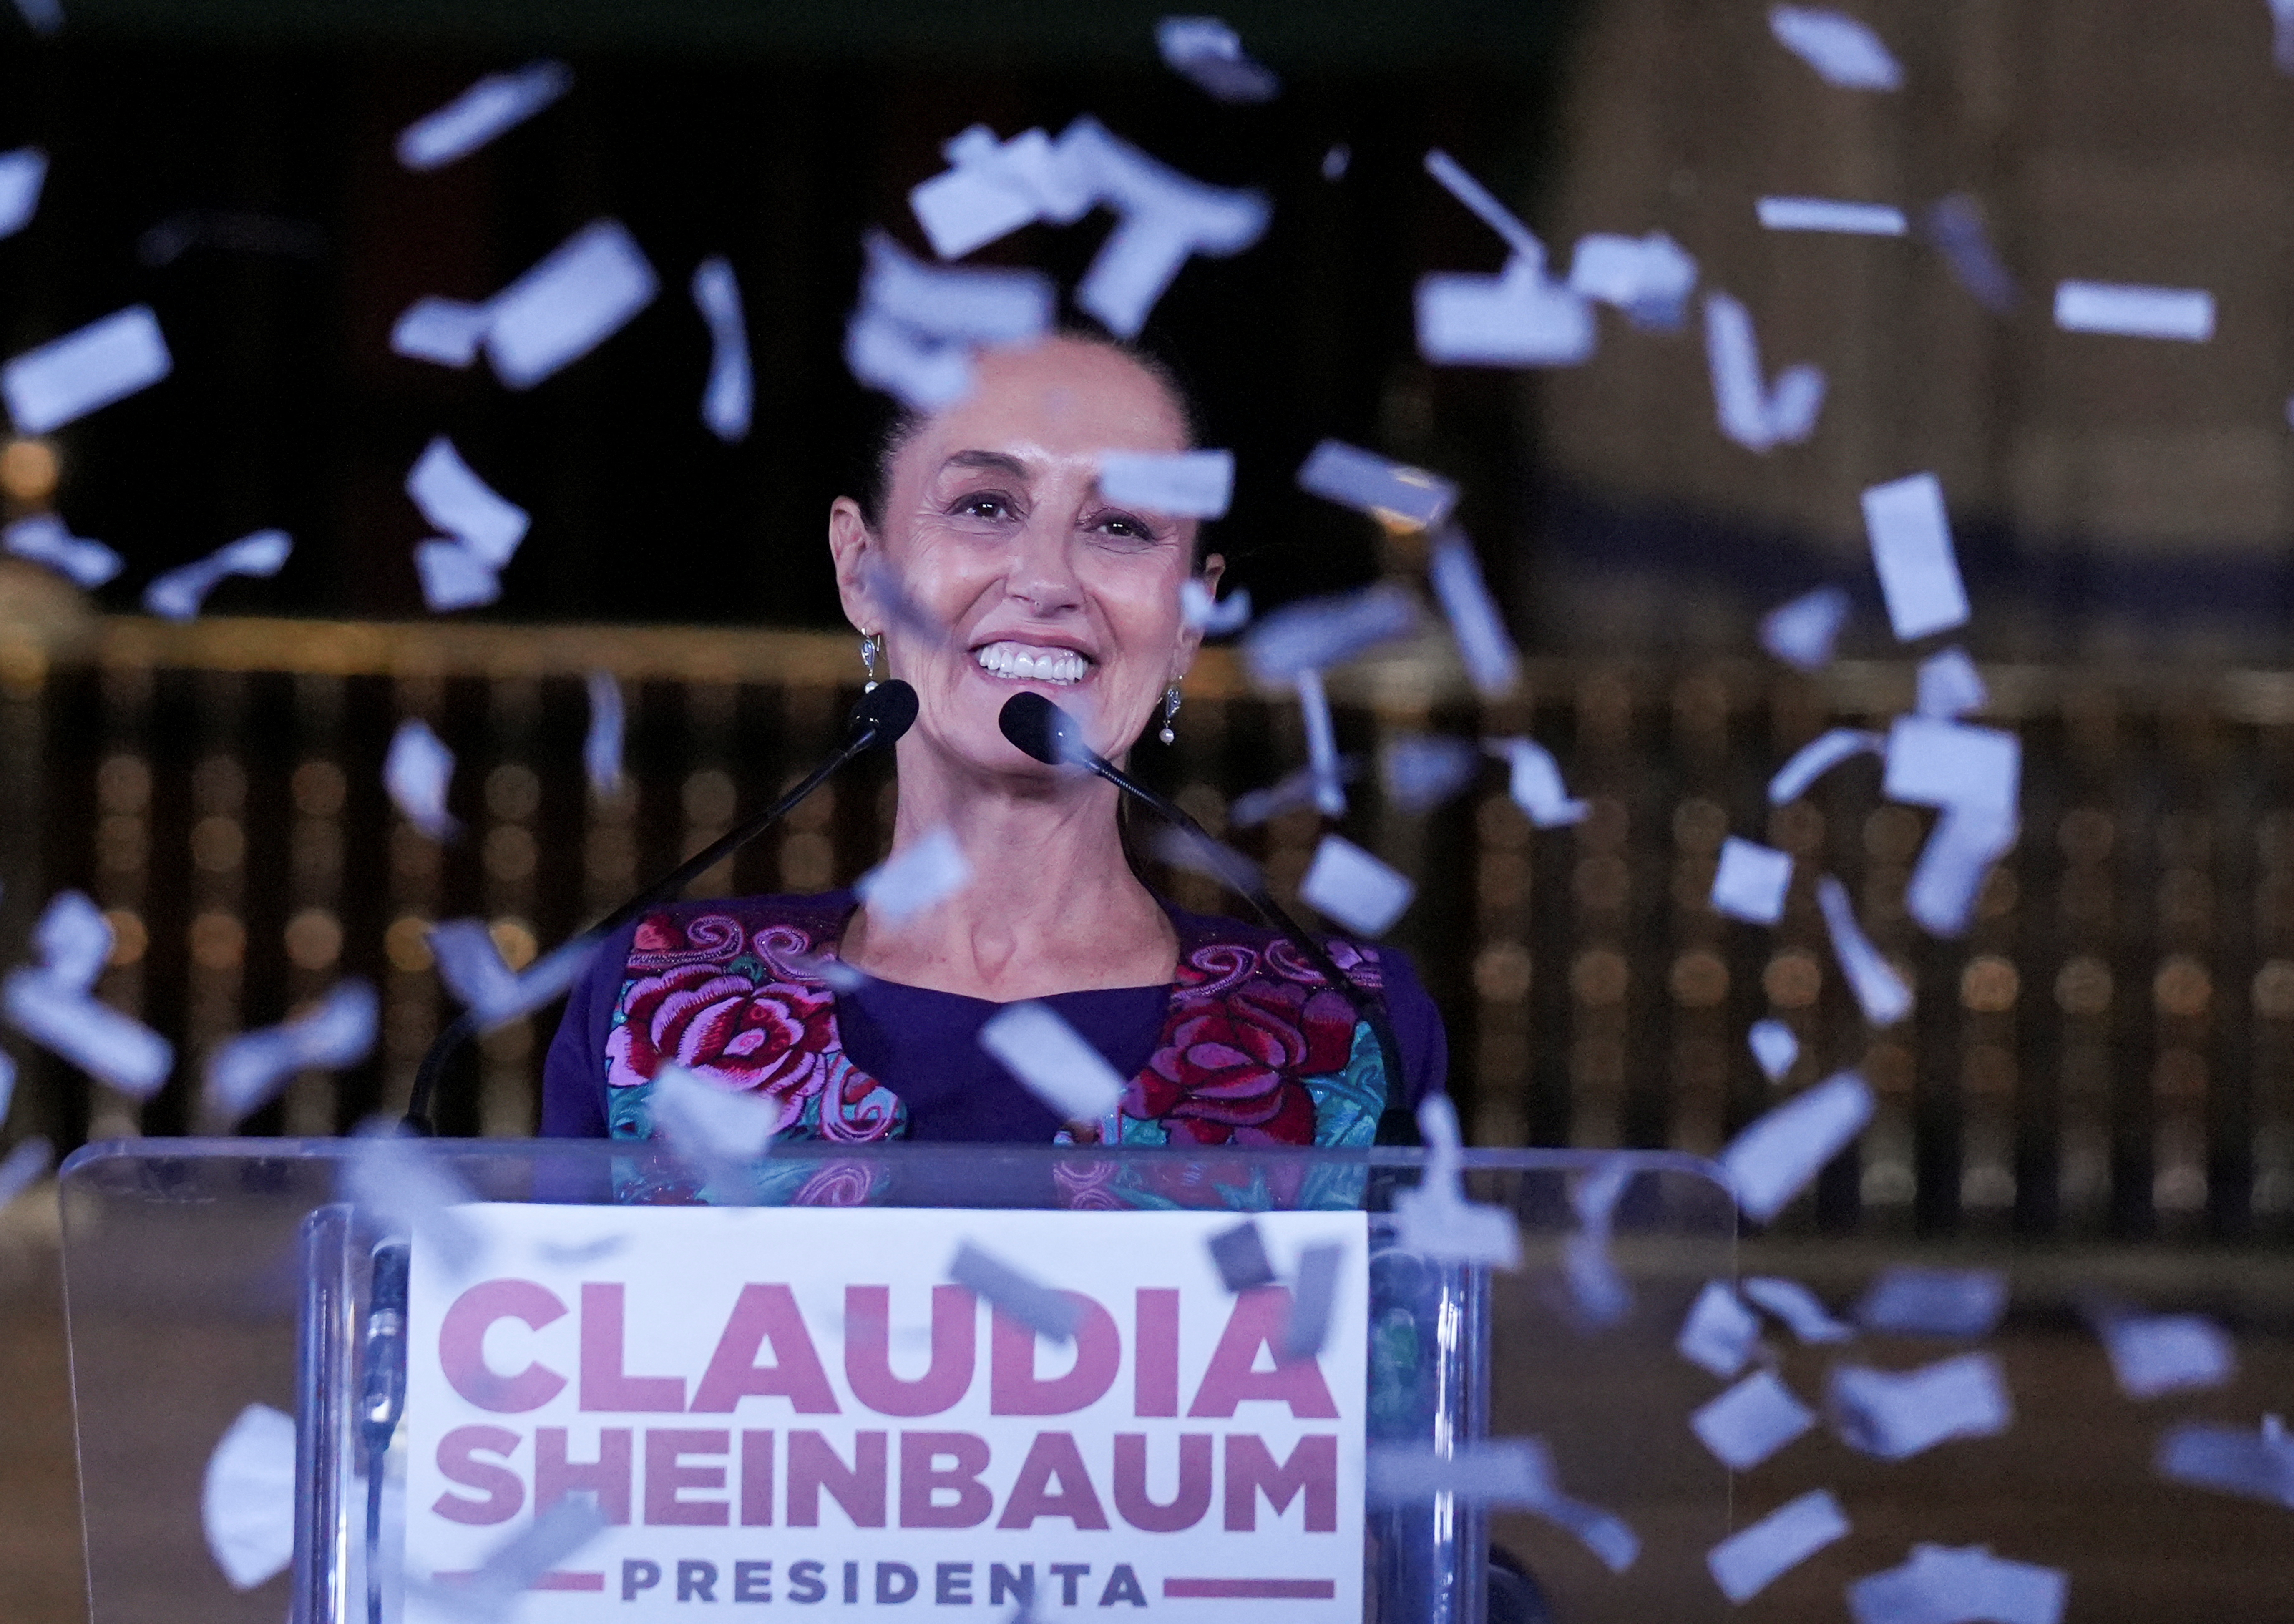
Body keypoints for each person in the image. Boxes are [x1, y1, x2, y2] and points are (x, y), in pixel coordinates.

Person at [541, 332, 1444, 1160]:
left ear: (1188, 617)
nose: (1046, 580)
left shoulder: (1352, 1031)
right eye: (983, 506)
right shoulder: (651, 1007)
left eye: (1121, 526)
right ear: (862, 569)